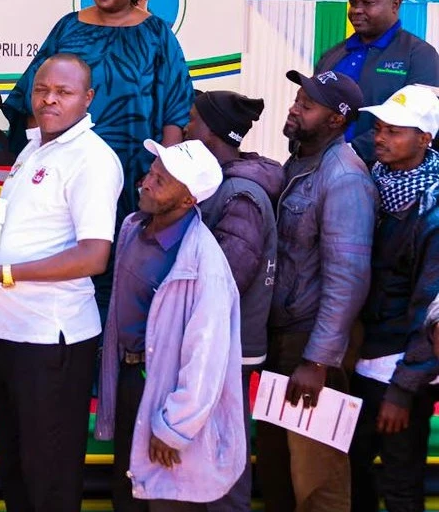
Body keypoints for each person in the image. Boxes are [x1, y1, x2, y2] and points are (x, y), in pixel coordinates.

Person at [0, 54, 122, 511]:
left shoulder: (93, 159)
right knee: (18, 472)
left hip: (51, 340)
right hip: (12, 333)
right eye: (42, 90)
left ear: (88, 98)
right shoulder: (33, 148)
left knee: (49, 480)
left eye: (64, 93)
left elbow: (94, 255)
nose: (50, 100)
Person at [2, 0, 194, 313]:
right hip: (62, 166)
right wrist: (37, 158)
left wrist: (163, 175)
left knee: (114, 265)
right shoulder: (68, 27)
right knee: (58, 251)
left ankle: (103, 357)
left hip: (130, 171)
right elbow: (33, 94)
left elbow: (175, 111)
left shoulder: (156, 35)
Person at [96, 139, 244, 511]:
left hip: (166, 396)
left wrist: (175, 427)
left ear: (188, 201)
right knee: (127, 493)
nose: (146, 183)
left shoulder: (204, 264)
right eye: (151, 173)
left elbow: (205, 357)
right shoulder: (133, 227)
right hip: (132, 382)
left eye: (161, 181)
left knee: (164, 500)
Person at [255, 70, 378, 512]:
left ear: (335, 120)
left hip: (312, 347)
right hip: (284, 340)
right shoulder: (300, 162)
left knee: (317, 481)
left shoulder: (344, 178)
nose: (294, 108)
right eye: (297, 99)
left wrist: (318, 360)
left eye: (307, 105)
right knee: (278, 473)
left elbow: (348, 279)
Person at [183, 90, 283, 511]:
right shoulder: (224, 184)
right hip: (218, 341)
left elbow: (226, 277)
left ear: (210, 131)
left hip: (226, 344)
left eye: (191, 120)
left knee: (223, 447)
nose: (185, 127)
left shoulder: (240, 193)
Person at [347, 85, 439, 512]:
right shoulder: (375, 180)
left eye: (395, 130)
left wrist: (404, 389)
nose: (380, 137)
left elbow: (432, 308)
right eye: (380, 127)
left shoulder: (432, 209)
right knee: (354, 470)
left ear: (425, 139)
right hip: (366, 357)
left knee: (402, 485)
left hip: (402, 367)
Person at [315, 0, 439, 164]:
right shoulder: (333, 55)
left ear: (395, 4)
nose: (356, 10)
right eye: (353, 2)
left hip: (382, 178)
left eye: (367, 2)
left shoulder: (419, 54)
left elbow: (418, 120)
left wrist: (351, 153)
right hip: (319, 166)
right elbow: (311, 106)